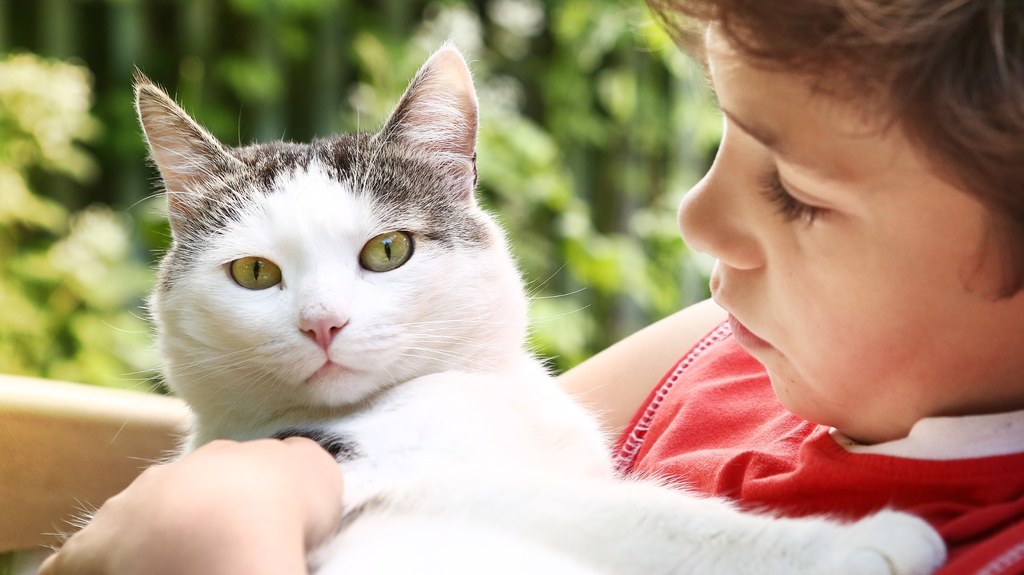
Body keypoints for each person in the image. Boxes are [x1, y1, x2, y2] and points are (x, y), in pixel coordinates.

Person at [40, 0, 1024, 573]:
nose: (693, 215)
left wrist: (216, 528)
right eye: (718, 133)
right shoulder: (703, 356)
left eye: (795, 191)